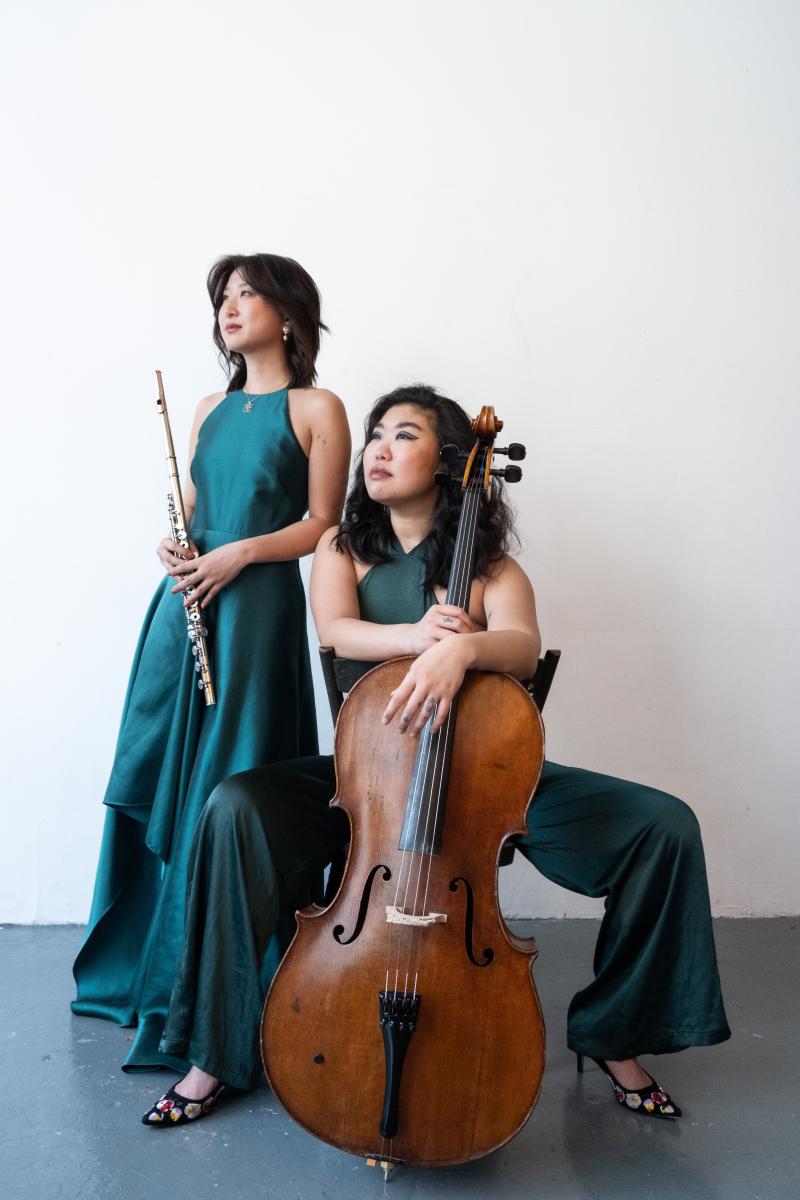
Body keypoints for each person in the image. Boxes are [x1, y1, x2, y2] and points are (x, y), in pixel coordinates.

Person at [142, 383, 729, 1127]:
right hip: (368, 780)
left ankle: (613, 1031)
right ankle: (213, 1054)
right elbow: (338, 632)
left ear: (450, 461)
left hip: (483, 780)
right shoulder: (342, 549)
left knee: (664, 828)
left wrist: (465, 653)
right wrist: (420, 639)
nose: (378, 451)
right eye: (376, 435)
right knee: (235, 808)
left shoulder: (493, 569)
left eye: (404, 435)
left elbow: (521, 646)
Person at [72, 253, 351, 1075]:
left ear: (289, 314)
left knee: (229, 776)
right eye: (223, 297)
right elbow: (194, 511)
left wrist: (240, 554)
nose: (230, 308)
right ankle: (156, 971)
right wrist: (178, 545)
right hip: (188, 603)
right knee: (167, 768)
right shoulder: (207, 408)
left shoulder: (318, 407)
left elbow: (322, 524)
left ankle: (221, 991)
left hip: (256, 606)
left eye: (248, 294)